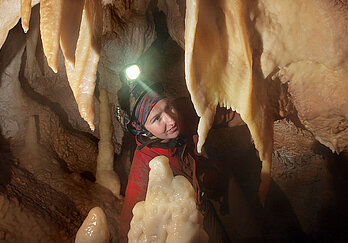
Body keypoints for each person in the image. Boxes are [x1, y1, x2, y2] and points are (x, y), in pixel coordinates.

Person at [117, 79, 242, 242]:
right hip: (184, 219)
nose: (171, 120)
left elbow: (228, 116)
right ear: (142, 130)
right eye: (156, 119)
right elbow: (129, 226)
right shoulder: (145, 166)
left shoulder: (184, 111)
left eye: (167, 106)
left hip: (206, 189)